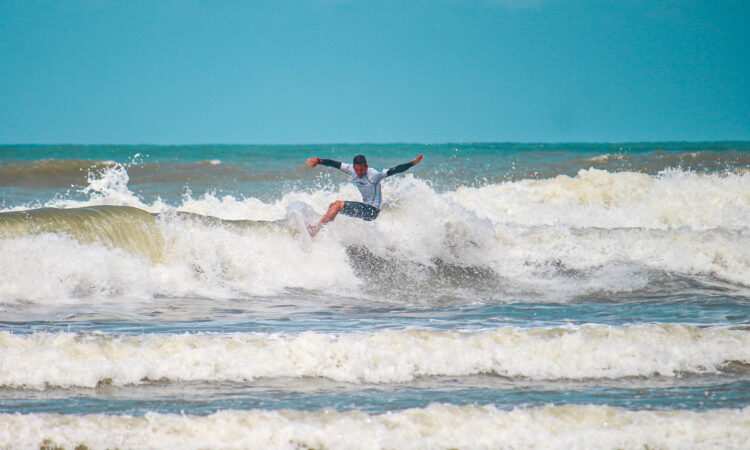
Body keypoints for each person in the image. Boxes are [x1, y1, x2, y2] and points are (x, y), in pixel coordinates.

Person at [305, 153, 424, 236]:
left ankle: (315, 230)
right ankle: (324, 233)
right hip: (365, 207)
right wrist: (318, 161)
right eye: (357, 170)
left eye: (362, 170)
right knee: (333, 206)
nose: (359, 173)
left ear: (366, 166)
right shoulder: (351, 169)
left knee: (337, 205)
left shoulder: (375, 174)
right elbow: (333, 163)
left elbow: (395, 170)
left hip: (372, 211)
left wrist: (412, 163)